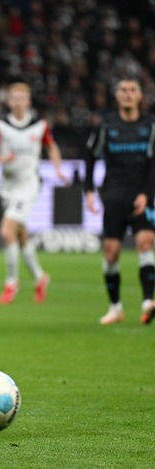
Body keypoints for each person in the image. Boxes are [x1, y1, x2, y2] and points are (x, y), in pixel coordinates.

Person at [0, 82, 69, 305]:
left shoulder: (40, 125)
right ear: (9, 101)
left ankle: (12, 282)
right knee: (20, 235)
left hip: (29, 186)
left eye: (22, 98)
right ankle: (40, 277)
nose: (18, 102)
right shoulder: (0, 126)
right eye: (14, 98)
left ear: (28, 101)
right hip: (8, 188)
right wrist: (2, 159)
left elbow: (52, 146)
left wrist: (58, 168)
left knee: (6, 231)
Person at [84, 78, 155, 325]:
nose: (127, 94)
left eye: (132, 90)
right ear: (117, 96)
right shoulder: (106, 125)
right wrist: (89, 190)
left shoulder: (150, 125)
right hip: (113, 195)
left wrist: (147, 193)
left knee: (145, 242)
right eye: (123, 90)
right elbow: (91, 157)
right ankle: (115, 308)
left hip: (143, 196)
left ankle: (148, 302)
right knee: (111, 253)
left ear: (139, 96)